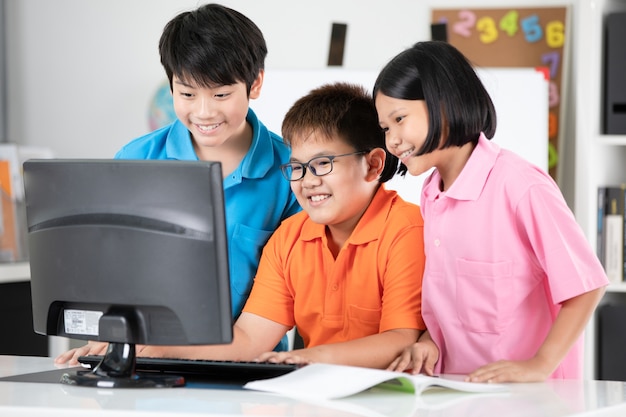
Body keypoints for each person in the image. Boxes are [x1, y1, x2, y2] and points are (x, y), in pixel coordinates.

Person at [59, 82, 427, 368]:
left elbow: (399, 338)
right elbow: (249, 337)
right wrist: (144, 347)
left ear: (374, 165)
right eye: (296, 167)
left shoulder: (405, 228)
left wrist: (307, 359)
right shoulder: (289, 238)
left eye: (322, 164)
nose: (306, 181)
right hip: (316, 393)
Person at [56, 3, 299, 365]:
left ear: (256, 83)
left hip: (248, 365)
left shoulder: (291, 170)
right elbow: (111, 270)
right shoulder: (135, 160)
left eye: (220, 95)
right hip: (147, 359)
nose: (203, 112)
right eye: (187, 94)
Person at [373, 40, 609, 382]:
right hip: (455, 392)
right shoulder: (431, 194)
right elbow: (454, 305)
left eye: (399, 119)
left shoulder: (519, 185)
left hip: (525, 401)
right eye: (385, 128)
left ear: (443, 103)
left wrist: (540, 365)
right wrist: (430, 342)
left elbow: (586, 286)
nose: (392, 140)